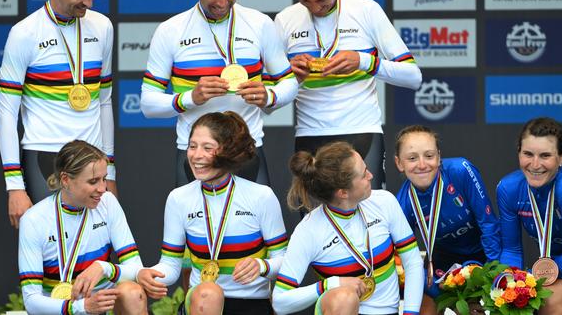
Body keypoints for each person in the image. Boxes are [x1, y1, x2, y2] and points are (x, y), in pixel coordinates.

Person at [140, 0, 298, 187]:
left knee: (256, 226)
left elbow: (290, 83)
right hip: (195, 154)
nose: (222, 3)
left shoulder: (260, 23)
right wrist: (190, 98)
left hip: (247, 149)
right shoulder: (171, 30)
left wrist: (269, 96)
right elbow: (148, 104)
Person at [274, 0, 422, 189]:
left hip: (362, 131)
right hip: (310, 135)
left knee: (369, 220)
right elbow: (272, 100)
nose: (314, 8)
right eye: (304, 0)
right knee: (313, 223)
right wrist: (292, 77)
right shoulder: (285, 20)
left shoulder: (365, 10)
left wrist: (363, 61)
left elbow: (413, 77)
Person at [0, 0, 116, 229]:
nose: (88, 2)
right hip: (45, 158)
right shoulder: (25, 33)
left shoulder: (102, 27)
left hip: (93, 158)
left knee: (96, 255)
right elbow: (6, 113)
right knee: (52, 257)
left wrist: (110, 170)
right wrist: (14, 186)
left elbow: (104, 102)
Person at [137, 111, 289, 315]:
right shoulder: (178, 198)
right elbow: (170, 265)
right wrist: (149, 275)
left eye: (207, 148)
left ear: (229, 151)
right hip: (201, 299)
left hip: (251, 303)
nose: (196, 155)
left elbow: (284, 260)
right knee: (208, 293)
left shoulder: (261, 196)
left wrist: (262, 266)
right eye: (192, 146)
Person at [272, 141, 423, 314]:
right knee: (344, 298)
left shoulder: (384, 202)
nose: (371, 175)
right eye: (363, 174)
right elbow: (280, 302)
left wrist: (411, 313)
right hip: (344, 309)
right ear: (343, 192)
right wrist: (330, 284)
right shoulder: (309, 230)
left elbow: (413, 262)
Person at [18, 140, 146, 314]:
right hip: (61, 309)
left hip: (102, 306)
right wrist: (80, 308)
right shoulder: (34, 220)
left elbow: (137, 268)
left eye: (103, 179)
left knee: (132, 293)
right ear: (66, 180)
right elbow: (31, 300)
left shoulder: (108, 203)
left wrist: (104, 267)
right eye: (93, 181)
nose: (103, 188)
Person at [394, 125, 501, 315]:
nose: (422, 164)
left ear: (439, 156)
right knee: (424, 309)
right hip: (442, 262)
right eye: (412, 158)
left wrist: (493, 274)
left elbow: (489, 224)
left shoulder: (460, 171)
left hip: (482, 254)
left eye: (429, 155)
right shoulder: (402, 202)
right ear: (399, 163)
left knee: (472, 309)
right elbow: (401, 254)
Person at [498, 117, 562, 314]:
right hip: (551, 270)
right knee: (509, 300)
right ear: (518, 152)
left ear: (561, 157)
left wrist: (532, 278)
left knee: (549, 303)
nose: (535, 165)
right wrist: (511, 281)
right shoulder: (509, 188)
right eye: (528, 154)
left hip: (553, 270)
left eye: (545, 155)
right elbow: (511, 250)